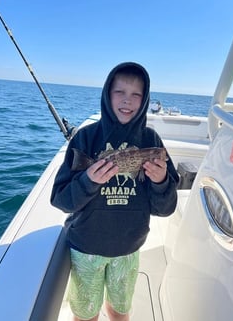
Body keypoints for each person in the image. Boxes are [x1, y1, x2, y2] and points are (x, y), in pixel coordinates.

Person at [51, 62, 179, 321]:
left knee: (120, 310)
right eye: (120, 92)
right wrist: (88, 179)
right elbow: (61, 199)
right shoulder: (85, 139)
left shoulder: (152, 141)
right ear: (107, 94)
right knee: (85, 314)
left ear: (145, 100)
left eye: (136, 95)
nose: (127, 101)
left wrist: (161, 180)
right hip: (86, 247)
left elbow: (165, 209)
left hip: (128, 248)